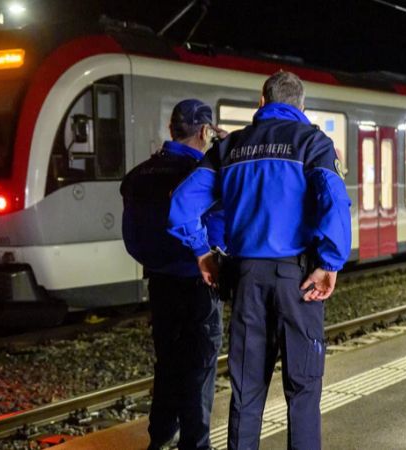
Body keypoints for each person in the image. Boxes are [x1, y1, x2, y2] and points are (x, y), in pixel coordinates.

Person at [168, 72, 352, 450]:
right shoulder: (313, 143)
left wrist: (203, 252)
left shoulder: (230, 147)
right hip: (299, 282)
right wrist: (329, 263)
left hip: (246, 279)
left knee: (246, 390)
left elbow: (181, 205)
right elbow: (335, 203)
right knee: (302, 391)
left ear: (261, 101)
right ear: (301, 105)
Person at [120, 99, 227, 450]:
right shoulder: (203, 174)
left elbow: (133, 239)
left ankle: (161, 437)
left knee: (167, 363)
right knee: (199, 369)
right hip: (199, 282)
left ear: (171, 130)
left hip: (160, 283)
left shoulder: (139, 175)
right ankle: (196, 445)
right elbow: (219, 225)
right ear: (204, 131)